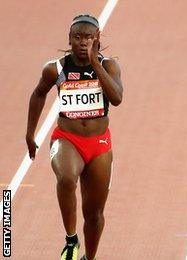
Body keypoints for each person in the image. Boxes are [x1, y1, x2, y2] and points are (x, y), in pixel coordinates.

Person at [25, 14, 123, 260]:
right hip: (67, 139)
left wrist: (95, 63)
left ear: (97, 39)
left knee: (94, 214)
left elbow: (117, 98)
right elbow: (38, 94)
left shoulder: (109, 66)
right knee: (67, 178)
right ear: (69, 39)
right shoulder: (56, 69)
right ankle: (71, 240)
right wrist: (30, 133)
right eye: (77, 37)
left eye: (88, 38)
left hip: (99, 144)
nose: (82, 42)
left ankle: (89, 258)